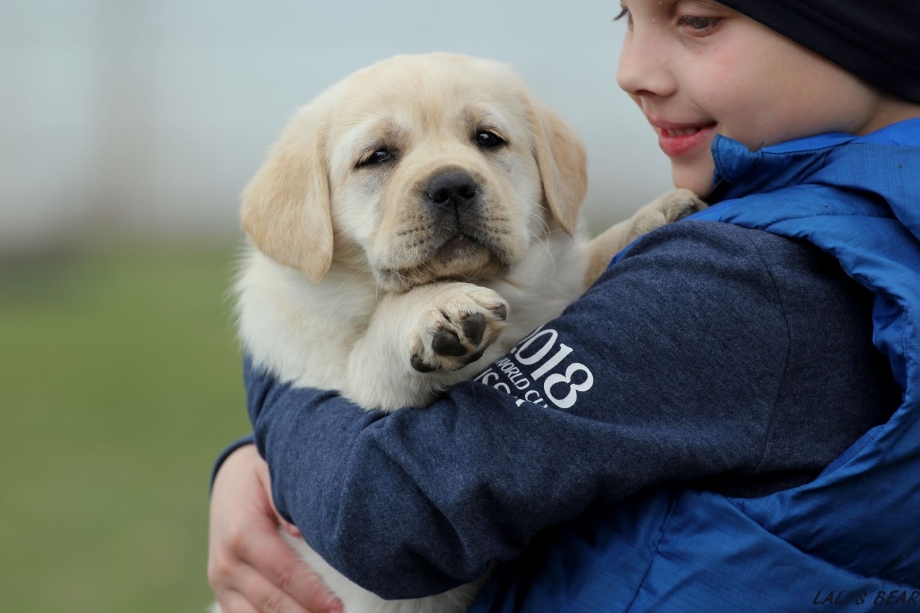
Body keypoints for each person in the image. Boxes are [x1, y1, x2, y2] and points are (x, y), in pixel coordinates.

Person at [208, 1, 920, 611]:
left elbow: (388, 513)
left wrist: (274, 412)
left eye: (699, 20)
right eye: (624, 15)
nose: (631, 70)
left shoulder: (755, 283)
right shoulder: (858, 217)